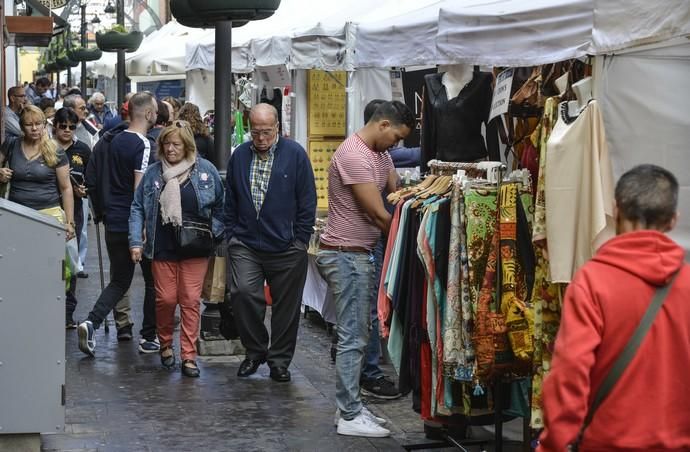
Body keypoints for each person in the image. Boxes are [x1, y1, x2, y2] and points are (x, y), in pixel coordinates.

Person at [538, 164, 690, 451]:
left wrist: (553, 444)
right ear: (672, 221)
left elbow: (569, 375)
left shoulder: (593, 283)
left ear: (616, 210)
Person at [316, 100, 413, 438]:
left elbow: (395, 193)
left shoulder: (379, 154)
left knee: (360, 333)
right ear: (383, 124)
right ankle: (349, 414)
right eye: (396, 137)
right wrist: (410, 240)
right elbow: (377, 214)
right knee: (353, 337)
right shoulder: (354, 155)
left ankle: (351, 405)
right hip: (345, 256)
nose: (397, 145)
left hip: (359, 254)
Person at [225, 103, 316, 383]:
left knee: (286, 308)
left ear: (277, 127)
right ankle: (255, 350)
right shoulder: (240, 155)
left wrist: (300, 239)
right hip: (246, 242)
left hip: (287, 245)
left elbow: (307, 200)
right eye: (255, 132)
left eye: (266, 132)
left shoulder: (295, 154)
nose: (261, 138)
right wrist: (231, 234)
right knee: (242, 293)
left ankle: (279, 361)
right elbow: (231, 198)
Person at [130, 121, 224, 377]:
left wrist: (214, 232)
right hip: (163, 246)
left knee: (191, 300)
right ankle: (165, 343)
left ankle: (189, 356)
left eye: (176, 144)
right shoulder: (153, 173)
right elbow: (137, 207)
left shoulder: (205, 170)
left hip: (195, 247)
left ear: (187, 146)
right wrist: (136, 241)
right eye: (166, 144)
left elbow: (220, 205)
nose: (170, 149)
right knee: (166, 299)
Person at [78, 92, 159, 357]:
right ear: (148, 114)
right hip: (134, 222)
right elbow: (140, 190)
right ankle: (149, 337)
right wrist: (144, 227)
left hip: (112, 219)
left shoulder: (110, 141)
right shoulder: (143, 144)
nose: (156, 115)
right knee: (152, 280)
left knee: (120, 280)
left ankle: (91, 322)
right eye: (155, 111)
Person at [0, 105, 75, 238]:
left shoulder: (55, 149)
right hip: (16, 212)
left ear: (44, 125)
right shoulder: (11, 144)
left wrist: (69, 222)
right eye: (29, 124)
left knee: (48, 258)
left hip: (49, 214)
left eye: (38, 124)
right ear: (22, 127)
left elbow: (66, 188)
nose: (34, 128)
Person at [53, 107, 91, 328]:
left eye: (71, 127)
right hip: (48, 209)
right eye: (63, 126)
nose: (67, 130)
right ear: (55, 126)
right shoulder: (47, 148)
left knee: (70, 261)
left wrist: (84, 190)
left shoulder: (83, 150)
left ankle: (68, 312)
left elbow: (91, 178)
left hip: (73, 210)